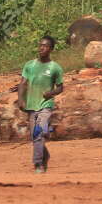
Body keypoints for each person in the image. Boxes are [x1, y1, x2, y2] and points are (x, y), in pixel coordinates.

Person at [17, 35, 64, 174]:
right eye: (40, 45)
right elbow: (23, 83)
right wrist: (20, 99)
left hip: (46, 105)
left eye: (45, 46)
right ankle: (45, 155)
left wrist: (50, 93)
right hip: (32, 105)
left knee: (39, 132)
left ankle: (38, 164)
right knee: (35, 136)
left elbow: (60, 87)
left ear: (51, 49)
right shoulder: (30, 65)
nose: (42, 48)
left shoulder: (55, 68)